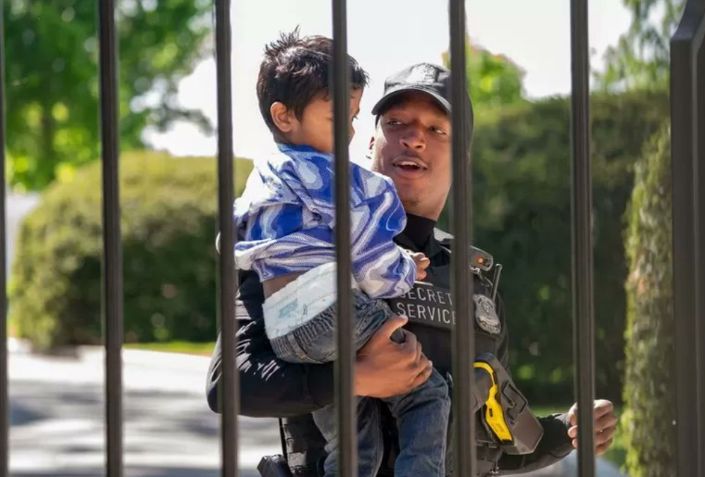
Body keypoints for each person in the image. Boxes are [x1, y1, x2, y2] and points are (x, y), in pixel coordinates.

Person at [207, 61, 618, 476]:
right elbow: (230, 387)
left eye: (437, 129)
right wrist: (354, 380)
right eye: (397, 123)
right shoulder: (304, 242)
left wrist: (566, 433)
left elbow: (490, 445)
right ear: (370, 142)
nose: (414, 139)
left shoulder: (474, 279)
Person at [233, 31, 450, 476]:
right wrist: (404, 269)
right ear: (283, 116)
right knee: (428, 394)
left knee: (354, 443)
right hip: (328, 310)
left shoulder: (264, 176)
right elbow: (371, 262)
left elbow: (233, 239)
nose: (348, 132)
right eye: (340, 118)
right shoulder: (343, 181)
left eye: (352, 118)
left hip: (284, 330)